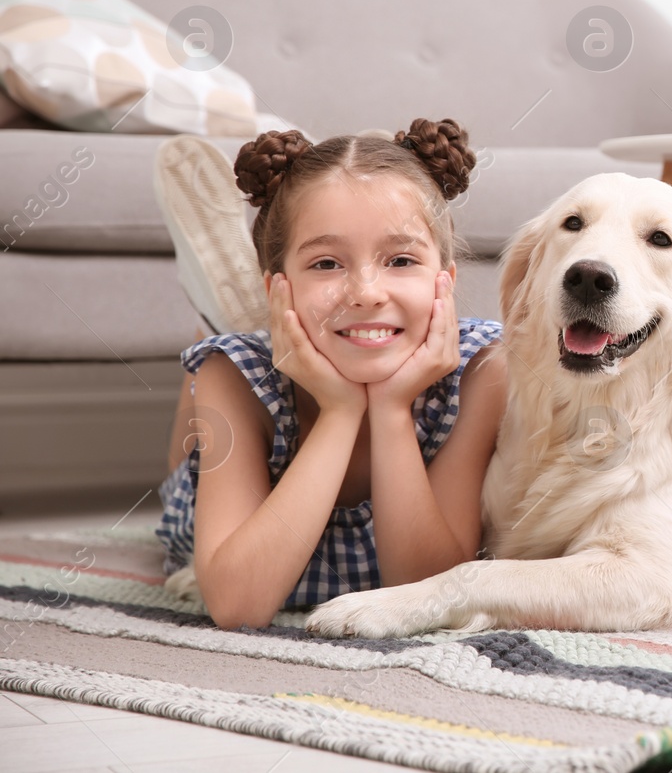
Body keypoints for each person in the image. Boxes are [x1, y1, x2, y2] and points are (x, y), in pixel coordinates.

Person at [151, 119, 506, 629]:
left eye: (400, 259)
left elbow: (428, 593)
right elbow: (236, 605)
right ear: (281, 287)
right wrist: (341, 410)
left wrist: (389, 408)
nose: (365, 291)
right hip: (235, 437)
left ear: (444, 283)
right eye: (326, 264)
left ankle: (252, 305)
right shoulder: (234, 376)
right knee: (210, 376)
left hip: (341, 341)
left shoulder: (480, 370)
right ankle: (233, 320)